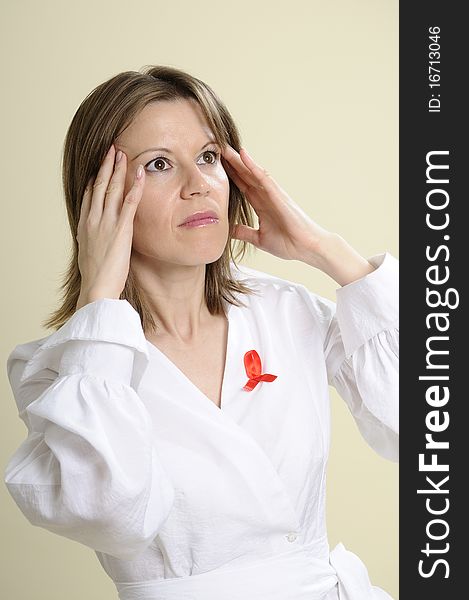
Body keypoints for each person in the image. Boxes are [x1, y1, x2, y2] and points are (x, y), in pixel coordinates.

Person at [3, 65, 398, 600]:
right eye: (160, 165)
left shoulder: (285, 311)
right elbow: (108, 513)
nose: (198, 186)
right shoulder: (65, 369)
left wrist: (325, 250)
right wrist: (100, 301)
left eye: (209, 157)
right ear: (100, 195)